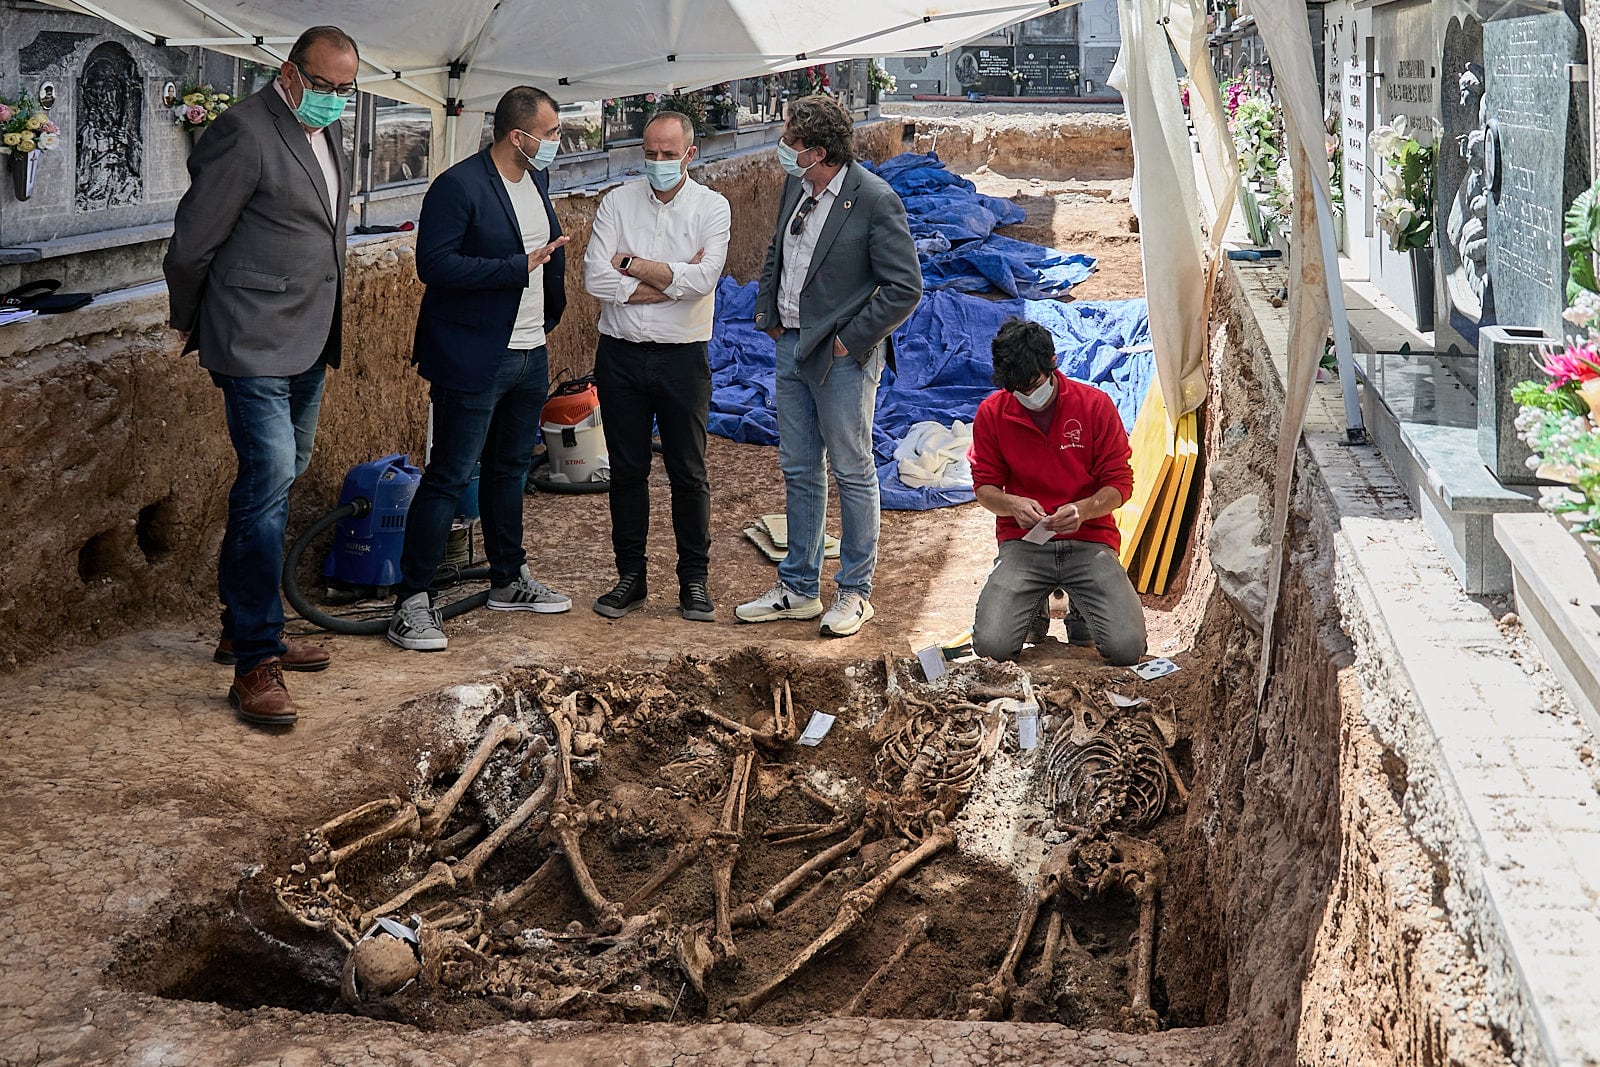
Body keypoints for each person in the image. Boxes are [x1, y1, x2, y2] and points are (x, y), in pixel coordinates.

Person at [165, 25, 360, 727]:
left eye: (347, 89)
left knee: (278, 473)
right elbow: (193, 241)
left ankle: (243, 624)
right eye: (325, 86)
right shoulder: (244, 132)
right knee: (272, 471)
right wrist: (187, 317)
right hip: (248, 337)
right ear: (288, 72)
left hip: (308, 336)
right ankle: (254, 661)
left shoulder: (327, 134)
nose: (336, 100)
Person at [386, 85, 573, 652]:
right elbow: (434, 265)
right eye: (552, 133)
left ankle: (507, 578)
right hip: (473, 355)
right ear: (519, 137)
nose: (557, 143)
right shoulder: (458, 186)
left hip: (527, 352)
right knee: (449, 474)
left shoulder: (535, 181)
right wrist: (515, 267)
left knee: (511, 469)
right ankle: (411, 602)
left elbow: (547, 253)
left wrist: (549, 307)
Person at [734, 94, 922, 638]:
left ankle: (856, 591)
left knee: (852, 469)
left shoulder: (874, 200)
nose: (783, 148)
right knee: (798, 468)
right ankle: (798, 588)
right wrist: (768, 311)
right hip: (790, 345)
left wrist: (849, 340)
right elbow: (778, 250)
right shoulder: (798, 184)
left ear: (817, 151)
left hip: (839, 357)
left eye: (791, 140)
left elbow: (905, 287)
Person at [583, 111, 731, 622]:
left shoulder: (712, 207)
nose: (659, 162)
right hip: (620, 355)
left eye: (670, 154)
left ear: (690, 154)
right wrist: (670, 280)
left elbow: (705, 279)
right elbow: (593, 280)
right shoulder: (617, 202)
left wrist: (631, 265)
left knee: (688, 470)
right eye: (651, 153)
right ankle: (631, 576)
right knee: (627, 471)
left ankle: (693, 579)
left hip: (682, 358)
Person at [969, 319, 1146, 666]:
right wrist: (1011, 504)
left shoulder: (1094, 406)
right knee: (992, 647)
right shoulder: (992, 413)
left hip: (1089, 540)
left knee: (1127, 649)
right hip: (1025, 542)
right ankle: (1032, 604)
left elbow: (1120, 485)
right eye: (1016, 388)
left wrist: (1083, 510)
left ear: (1052, 362)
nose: (1027, 395)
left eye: (1032, 384)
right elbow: (984, 487)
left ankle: (1081, 608)